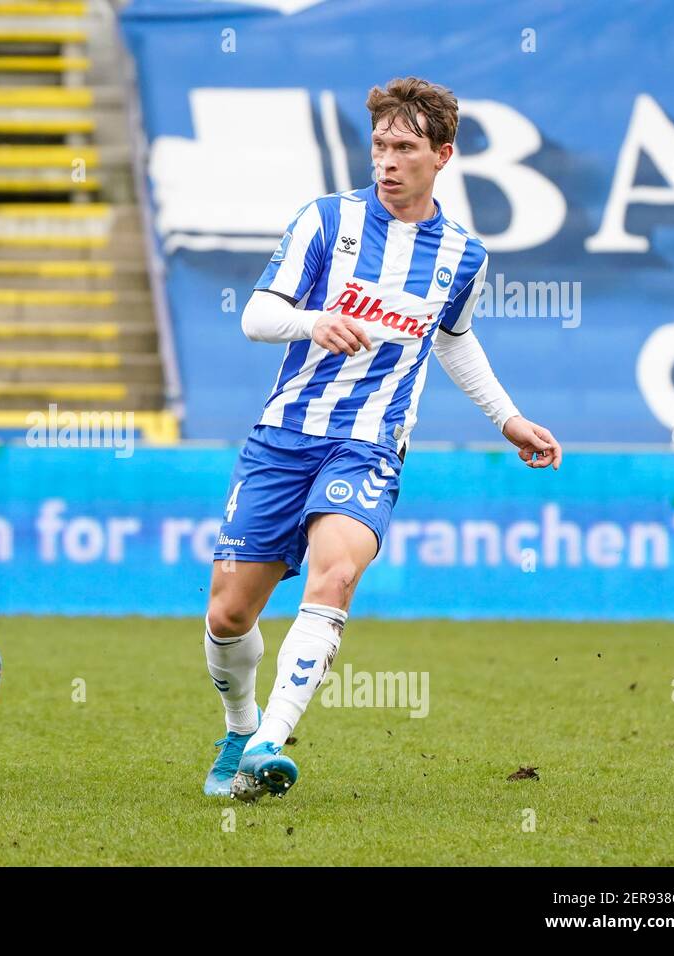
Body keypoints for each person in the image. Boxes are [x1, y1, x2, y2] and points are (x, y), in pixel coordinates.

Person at [201, 78, 562, 801]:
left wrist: (507, 417)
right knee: (229, 613)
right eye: (380, 147)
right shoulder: (325, 221)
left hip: (369, 443)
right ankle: (240, 725)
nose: (388, 161)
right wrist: (314, 322)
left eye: (404, 148)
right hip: (283, 437)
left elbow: (452, 340)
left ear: (443, 155)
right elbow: (258, 316)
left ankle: (271, 741)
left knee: (335, 575)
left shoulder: (463, 255)